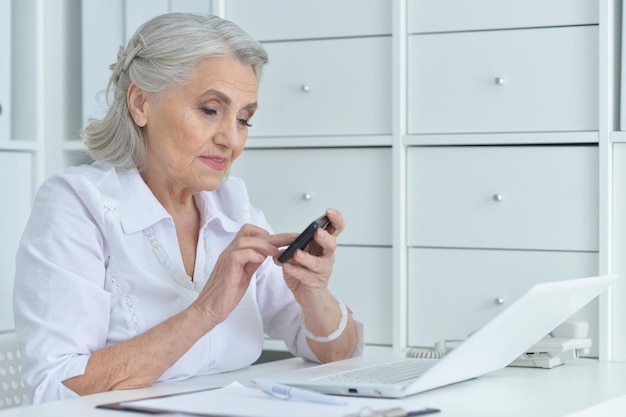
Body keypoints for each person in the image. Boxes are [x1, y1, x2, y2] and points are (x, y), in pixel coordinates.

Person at [12, 13, 363, 404]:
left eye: (245, 119)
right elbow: (54, 387)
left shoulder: (234, 207)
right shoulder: (78, 206)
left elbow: (341, 355)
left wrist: (315, 295)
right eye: (210, 110)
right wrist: (203, 312)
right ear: (141, 103)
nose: (231, 139)